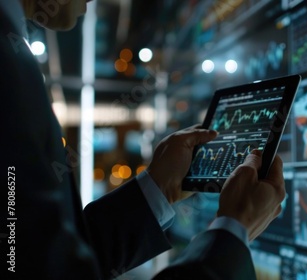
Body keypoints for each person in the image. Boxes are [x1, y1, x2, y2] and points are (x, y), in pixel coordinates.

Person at [1, 0, 285, 279]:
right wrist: (232, 231)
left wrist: (161, 187)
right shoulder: (8, 65)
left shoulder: (12, 56)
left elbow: (50, 256)